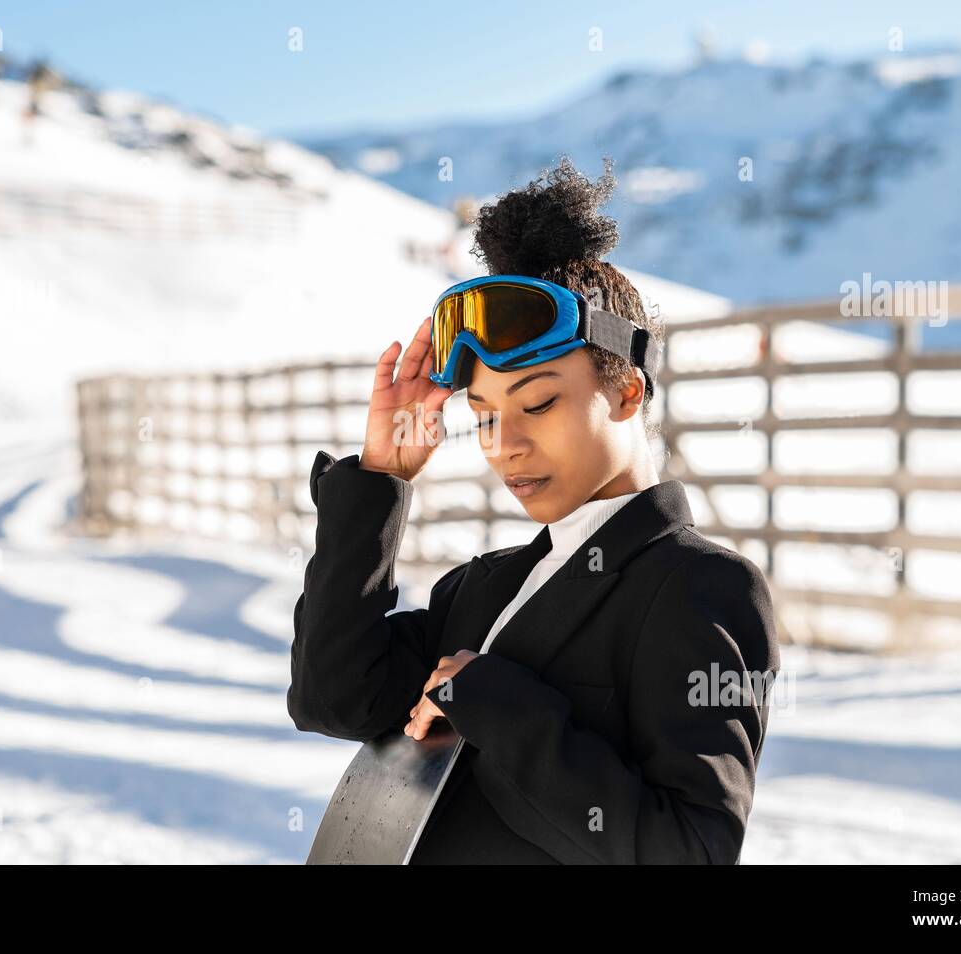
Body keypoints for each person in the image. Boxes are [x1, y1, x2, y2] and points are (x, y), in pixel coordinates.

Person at [288, 155, 780, 864]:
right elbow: (332, 698)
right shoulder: (480, 588)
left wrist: (494, 705)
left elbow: (691, 850)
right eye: (483, 416)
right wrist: (379, 481)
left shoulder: (698, 586)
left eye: (540, 403)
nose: (505, 446)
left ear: (629, 390)